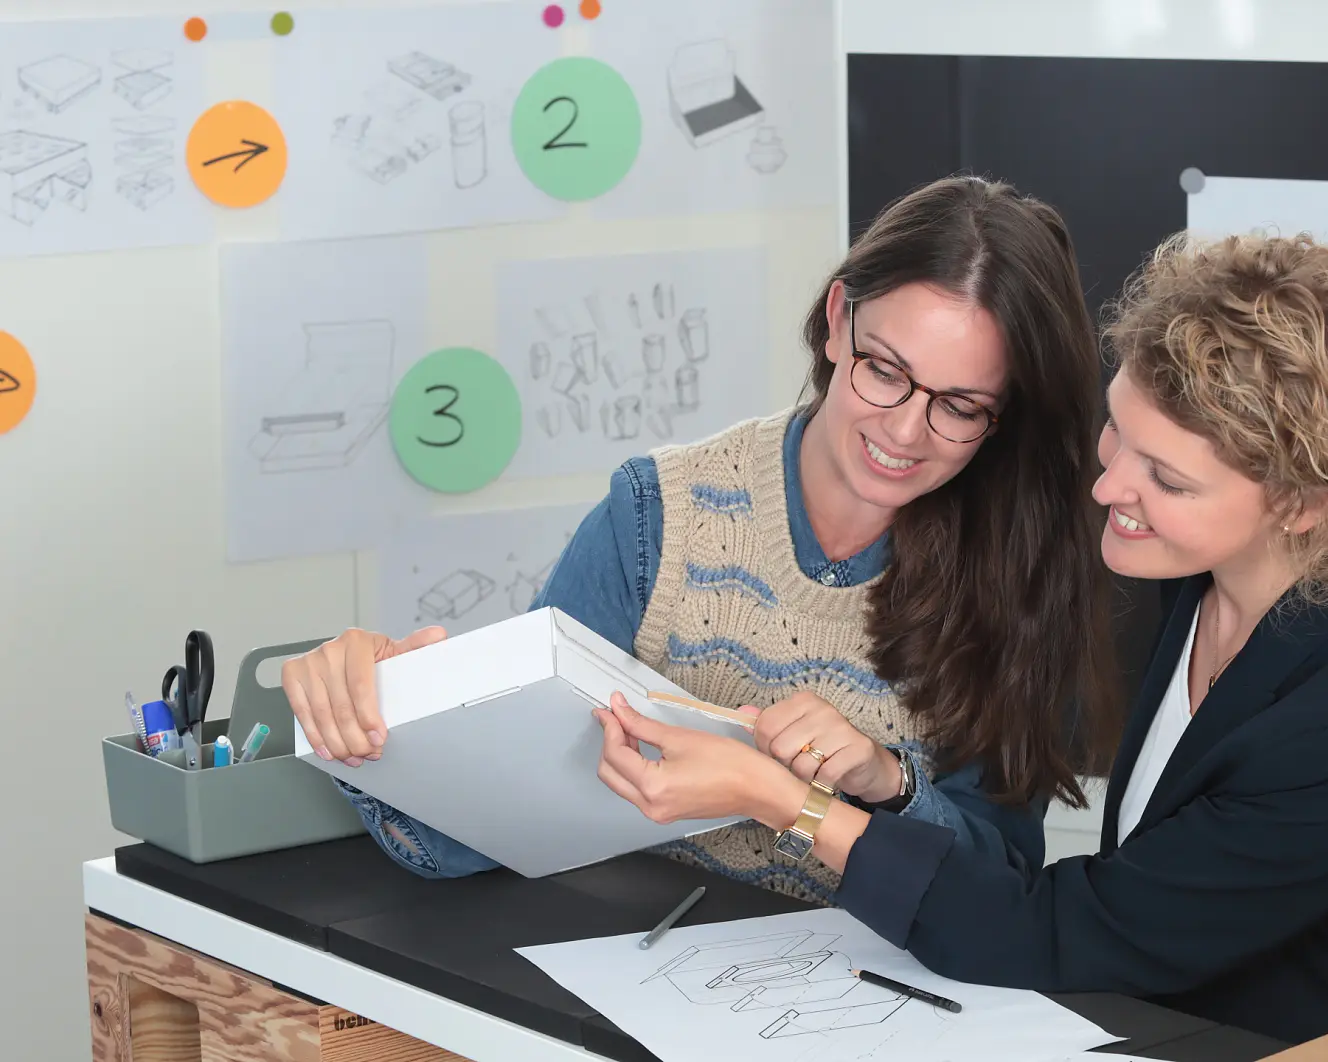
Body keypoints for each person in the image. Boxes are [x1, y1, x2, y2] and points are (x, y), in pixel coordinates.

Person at [586, 230, 1328, 1044]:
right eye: (1117, 435)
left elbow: (1059, 932)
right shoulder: (1209, 579)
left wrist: (783, 800)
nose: (1108, 488)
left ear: (1308, 504)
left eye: (1163, 476)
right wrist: (884, 783)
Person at [281, 175, 1121, 904]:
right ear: (838, 321)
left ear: (1001, 415)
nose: (904, 430)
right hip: (631, 967)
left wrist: (890, 784)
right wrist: (377, 713)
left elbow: (1002, 887)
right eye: (886, 370)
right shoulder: (657, 516)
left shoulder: (1022, 570)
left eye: (961, 406)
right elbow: (492, 824)